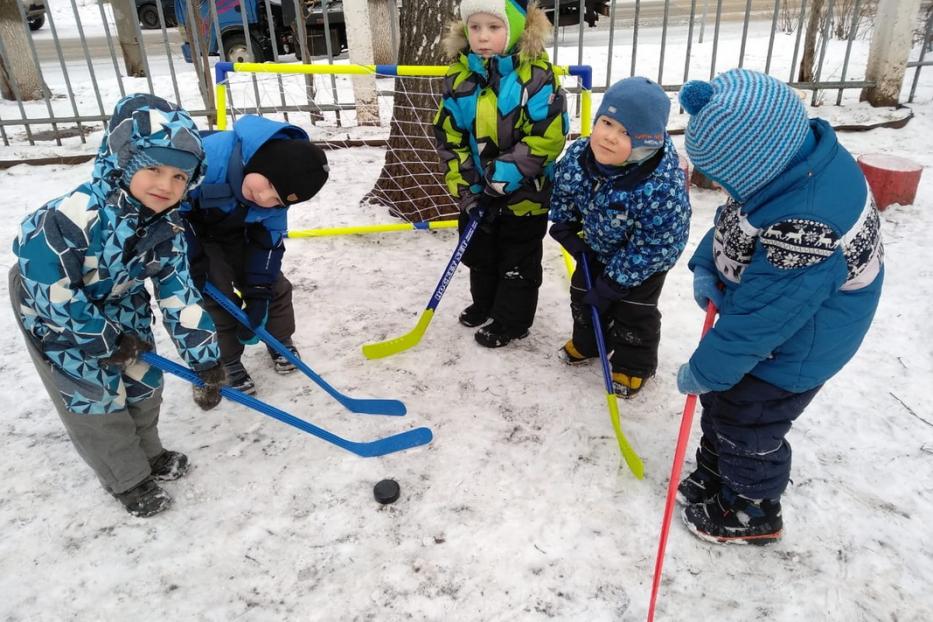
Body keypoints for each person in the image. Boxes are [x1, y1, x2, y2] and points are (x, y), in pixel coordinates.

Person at [675, 69, 884, 544]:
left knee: (749, 420)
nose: (728, 192)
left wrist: (706, 369)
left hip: (799, 345)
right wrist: (710, 262)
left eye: (729, 181)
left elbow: (762, 322)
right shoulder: (795, 162)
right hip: (780, 317)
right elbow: (741, 219)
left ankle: (752, 507)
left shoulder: (808, 224)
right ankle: (719, 468)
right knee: (727, 401)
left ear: (753, 165)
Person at [10, 93, 225, 518]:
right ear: (123, 162)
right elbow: (49, 288)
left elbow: (179, 293)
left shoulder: (168, 228)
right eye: (153, 169)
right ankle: (127, 478)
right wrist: (103, 339)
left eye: (181, 177)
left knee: (144, 383)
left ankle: (150, 453)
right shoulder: (71, 217)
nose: (167, 185)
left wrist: (205, 360)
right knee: (96, 398)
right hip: (56, 309)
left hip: (120, 297)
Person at [433, 0, 569, 348]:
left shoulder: (537, 76)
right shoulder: (458, 76)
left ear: (515, 29)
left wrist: (500, 178)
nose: (482, 36)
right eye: (475, 27)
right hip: (479, 192)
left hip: (526, 194)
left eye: (493, 28)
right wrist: (467, 186)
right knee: (480, 252)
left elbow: (545, 138)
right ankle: (485, 304)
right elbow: (450, 136)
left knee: (517, 260)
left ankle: (512, 320)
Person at [548, 77, 691, 397]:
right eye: (607, 122)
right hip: (598, 242)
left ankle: (633, 364)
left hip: (647, 258)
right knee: (585, 292)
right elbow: (565, 188)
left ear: (647, 142)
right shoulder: (579, 155)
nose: (610, 137)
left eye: (626, 132)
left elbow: (656, 243)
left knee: (632, 308)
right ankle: (589, 343)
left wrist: (615, 281)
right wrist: (565, 225)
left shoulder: (659, 184)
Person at [182, 115, 329, 394]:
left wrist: (259, 289)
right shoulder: (207, 156)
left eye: (278, 202)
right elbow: (171, 211)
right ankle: (226, 361)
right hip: (195, 232)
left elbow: (269, 242)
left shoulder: (271, 201)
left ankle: (279, 340)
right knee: (216, 295)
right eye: (271, 190)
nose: (266, 201)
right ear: (266, 165)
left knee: (275, 286)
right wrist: (192, 255)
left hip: (242, 231)